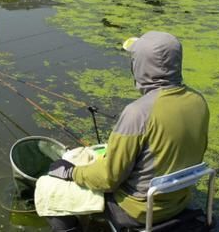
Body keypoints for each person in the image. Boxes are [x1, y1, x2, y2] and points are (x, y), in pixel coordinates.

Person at [46, 31, 209, 231]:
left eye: (134, 60)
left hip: (139, 210)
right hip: (180, 200)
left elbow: (108, 178)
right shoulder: (198, 101)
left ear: (142, 66)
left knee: (50, 192)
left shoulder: (138, 113)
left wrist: (71, 172)